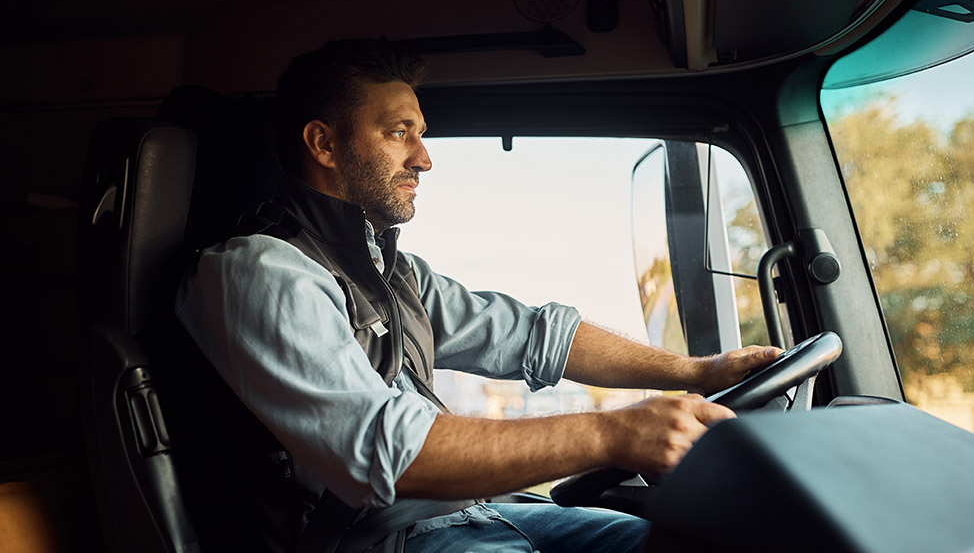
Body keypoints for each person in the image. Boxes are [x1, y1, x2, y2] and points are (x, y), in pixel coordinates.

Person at [175, 38, 781, 553]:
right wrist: (613, 433)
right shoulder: (257, 272)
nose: (425, 158)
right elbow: (388, 451)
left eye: (422, 133)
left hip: (470, 516)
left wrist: (697, 371)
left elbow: (532, 335)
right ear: (324, 144)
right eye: (398, 134)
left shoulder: (391, 271)